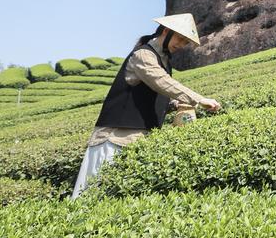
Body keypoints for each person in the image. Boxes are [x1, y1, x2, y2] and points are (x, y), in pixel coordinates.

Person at [70, 14, 221, 199]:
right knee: (92, 195)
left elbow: (153, 94)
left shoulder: (163, 60)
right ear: (166, 31)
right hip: (114, 138)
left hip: (136, 139)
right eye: (180, 38)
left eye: (185, 42)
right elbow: (161, 81)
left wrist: (174, 104)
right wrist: (198, 99)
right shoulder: (143, 54)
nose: (181, 45)